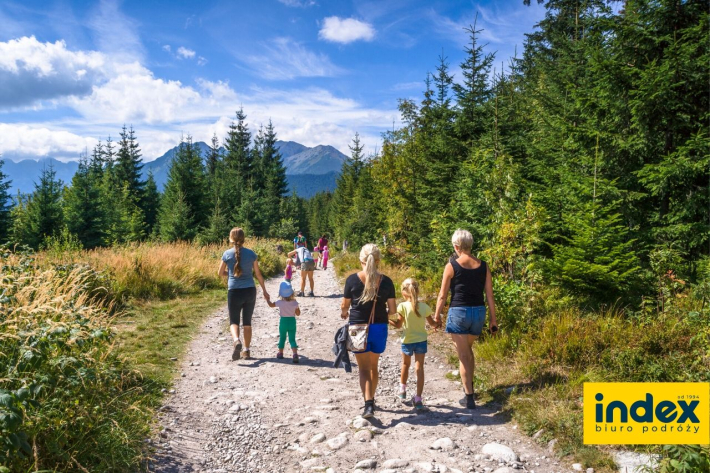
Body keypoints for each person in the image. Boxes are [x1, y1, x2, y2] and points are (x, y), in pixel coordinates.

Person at [433, 229, 498, 409]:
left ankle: (469, 397)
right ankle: (471, 388)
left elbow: (442, 294)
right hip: (478, 312)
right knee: (468, 351)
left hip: (459, 312)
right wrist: (493, 320)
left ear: (456, 246)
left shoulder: (452, 266)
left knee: (463, 355)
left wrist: (437, 316)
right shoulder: (483, 265)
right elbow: (490, 296)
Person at [340, 244, 396, 419]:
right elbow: (393, 310)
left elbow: (345, 305)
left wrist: (344, 313)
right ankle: (372, 398)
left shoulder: (352, 280)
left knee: (363, 369)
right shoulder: (387, 282)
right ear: (378, 261)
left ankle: (368, 404)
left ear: (361, 260)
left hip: (358, 328)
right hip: (379, 327)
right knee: (373, 366)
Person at [218, 227, 270, 361]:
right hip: (250, 290)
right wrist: (264, 290)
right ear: (243, 238)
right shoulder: (251, 254)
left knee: (234, 321)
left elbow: (220, 273)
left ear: (230, 238)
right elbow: (258, 274)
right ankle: (246, 351)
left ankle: (236, 341)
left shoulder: (227, 254)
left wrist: (231, 274)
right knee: (247, 322)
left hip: (234, 291)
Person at [389, 278, 436, 410]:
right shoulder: (425, 307)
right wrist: (438, 323)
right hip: (421, 340)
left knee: (405, 364)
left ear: (404, 292)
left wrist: (387, 319)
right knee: (419, 367)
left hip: (407, 340)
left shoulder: (402, 306)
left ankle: (402, 389)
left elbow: (398, 325)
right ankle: (418, 398)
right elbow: (432, 324)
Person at [266, 282, 301, 363]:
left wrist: (267, 299)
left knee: (282, 338)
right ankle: (295, 354)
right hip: (292, 322)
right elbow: (298, 314)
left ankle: (280, 353)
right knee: (292, 339)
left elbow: (271, 305)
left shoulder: (279, 302)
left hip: (283, 322)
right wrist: (296, 307)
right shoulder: (294, 303)